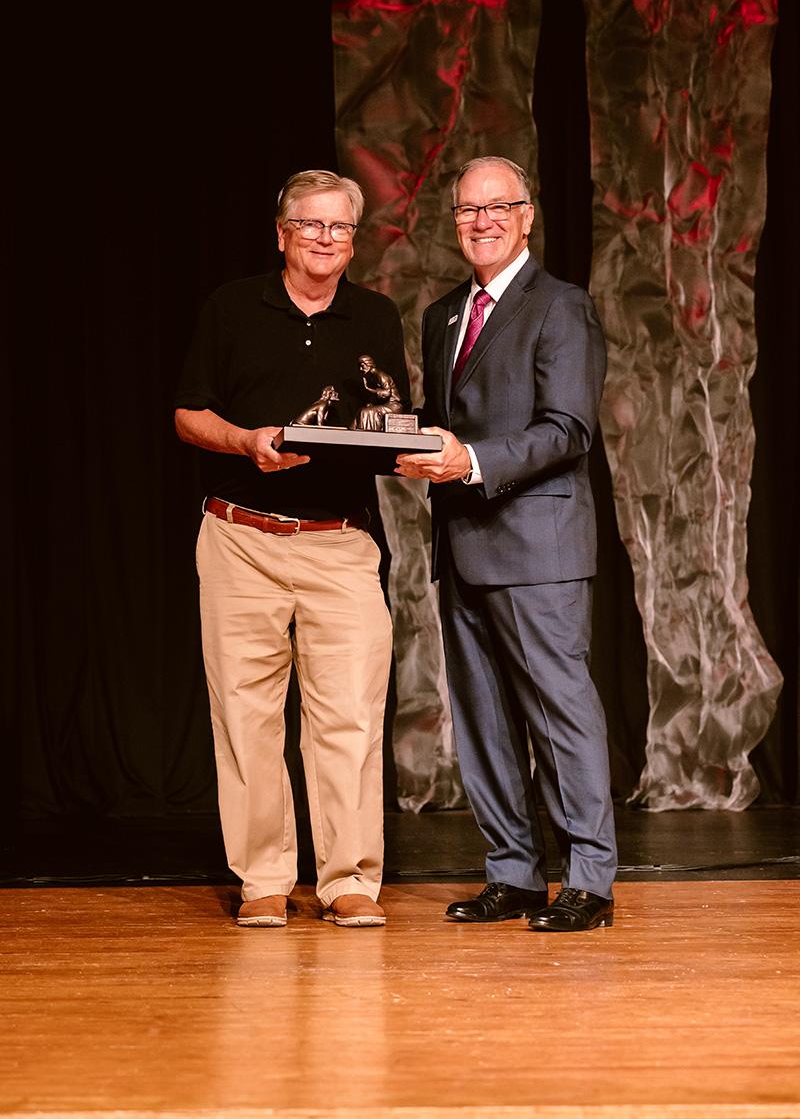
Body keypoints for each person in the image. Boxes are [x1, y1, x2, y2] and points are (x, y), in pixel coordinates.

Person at [175, 169, 409, 928]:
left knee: (347, 716)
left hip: (339, 544)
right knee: (246, 719)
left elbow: (389, 418)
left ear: (353, 241)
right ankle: (265, 880)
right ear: (281, 232)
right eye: (310, 225)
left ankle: (348, 881)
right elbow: (187, 414)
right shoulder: (233, 307)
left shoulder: (376, 317)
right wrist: (245, 441)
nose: (324, 239)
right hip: (239, 536)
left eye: (339, 228)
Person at [396, 155, 617, 932]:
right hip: (461, 545)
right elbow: (441, 419)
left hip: (538, 546)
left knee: (561, 717)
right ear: (454, 223)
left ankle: (588, 879)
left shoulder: (562, 307)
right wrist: (385, 434)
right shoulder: (442, 316)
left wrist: (472, 461)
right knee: (484, 720)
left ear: (528, 217)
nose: (481, 220)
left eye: (498, 207)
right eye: (466, 210)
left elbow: (568, 429)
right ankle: (514, 874)